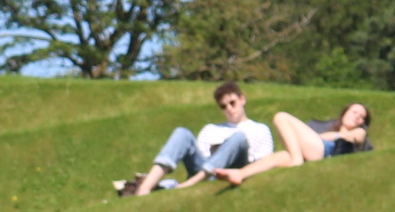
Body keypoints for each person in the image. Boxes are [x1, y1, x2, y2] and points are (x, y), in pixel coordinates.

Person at [116, 83, 270, 195]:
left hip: (236, 169)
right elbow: (201, 157)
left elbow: (263, 162)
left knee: (238, 138)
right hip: (205, 172)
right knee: (182, 133)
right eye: (223, 106)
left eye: (232, 103)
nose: (229, 108)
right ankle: (145, 188)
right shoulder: (211, 129)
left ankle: (187, 185)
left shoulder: (260, 129)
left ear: (242, 100)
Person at [206, 102, 374, 185]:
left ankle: (296, 160)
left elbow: (354, 138)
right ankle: (240, 175)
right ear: (344, 113)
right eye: (354, 112)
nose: (358, 116)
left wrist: (337, 135)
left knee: (281, 117)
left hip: (326, 151)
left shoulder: (360, 132)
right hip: (313, 151)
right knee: (276, 157)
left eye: (362, 116)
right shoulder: (323, 127)